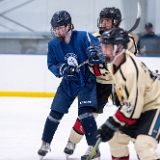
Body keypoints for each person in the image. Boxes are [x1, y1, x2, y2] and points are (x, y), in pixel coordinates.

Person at [63, 7, 138, 159]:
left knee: (131, 116)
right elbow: (80, 58)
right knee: (87, 115)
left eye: (107, 21)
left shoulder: (127, 39)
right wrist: (89, 55)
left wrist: (110, 56)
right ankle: (74, 141)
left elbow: (130, 62)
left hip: (120, 83)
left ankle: (142, 148)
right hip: (99, 82)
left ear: (115, 22)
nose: (103, 24)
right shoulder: (92, 38)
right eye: (102, 20)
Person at [37, 10, 102, 160]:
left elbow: (101, 53)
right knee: (55, 113)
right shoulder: (53, 44)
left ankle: (93, 146)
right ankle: (45, 143)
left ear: (69, 26)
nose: (58, 31)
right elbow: (51, 64)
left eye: (60, 27)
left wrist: (96, 54)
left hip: (87, 80)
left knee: (85, 113)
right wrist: (62, 69)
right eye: (56, 28)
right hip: (68, 82)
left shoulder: (83, 37)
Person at [95, 28, 160, 160]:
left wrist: (112, 123)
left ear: (119, 48)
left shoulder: (131, 70)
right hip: (140, 106)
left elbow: (134, 107)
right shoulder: (113, 62)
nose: (104, 50)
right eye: (103, 46)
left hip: (155, 105)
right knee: (115, 140)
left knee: (143, 146)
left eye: (108, 47)